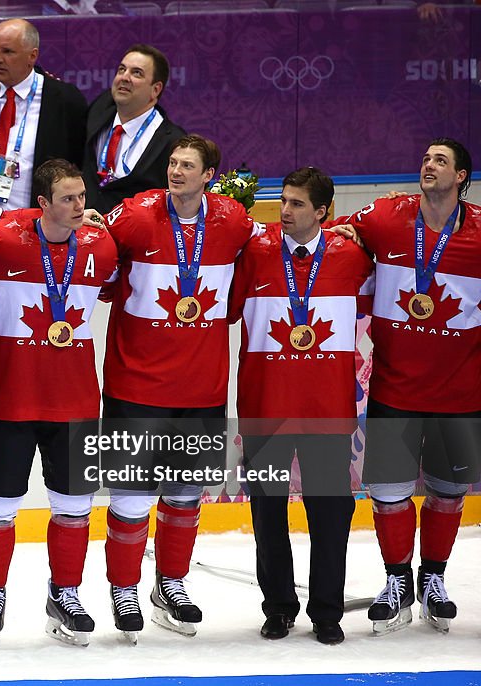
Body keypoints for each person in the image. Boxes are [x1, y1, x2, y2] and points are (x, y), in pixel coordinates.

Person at [101, 134, 258, 638]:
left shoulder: (233, 221)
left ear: (209, 174)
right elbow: (97, 266)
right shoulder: (133, 215)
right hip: (136, 384)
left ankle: (171, 583)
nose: (176, 172)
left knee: (185, 494)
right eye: (172, 163)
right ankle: (123, 588)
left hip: (202, 388)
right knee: (130, 497)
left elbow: (259, 269)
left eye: (188, 166)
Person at [0, 159, 118, 646]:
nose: (79, 206)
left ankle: (64, 593)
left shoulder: (101, 246)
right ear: (42, 203)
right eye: (67, 198)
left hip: (72, 399)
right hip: (9, 396)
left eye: (82, 196)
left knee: (74, 507)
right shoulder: (4, 240)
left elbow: (121, 285)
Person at [229, 167, 373, 645]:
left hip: (327, 409)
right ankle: (278, 608)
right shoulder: (254, 252)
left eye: (296, 204)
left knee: (330, 516)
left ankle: (327, 612)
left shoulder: (353, 255)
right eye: (283, 201)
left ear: (323, 212)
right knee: (267, 513)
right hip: (265, 406)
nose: (284, 212)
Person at [344, 138, 480, 635]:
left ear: (462, 176)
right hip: (394, 390)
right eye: (424, 158)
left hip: (460, 394)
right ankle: (397, 580)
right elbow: (324, 235)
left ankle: (434, 579)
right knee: (389, 493)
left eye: (440, 161)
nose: (428, 164)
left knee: (447, 493)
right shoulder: (384, 216)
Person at [0, 18, 87, 210]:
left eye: (7, 52)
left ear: (32, 56)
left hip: (33, 220)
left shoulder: (64, 100)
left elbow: (78, 160)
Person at [82, 44, 186, 215]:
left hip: (136, 238)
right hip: (85, 233)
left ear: (155, 89)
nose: (124, 77)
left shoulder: (172, 142)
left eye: (136, 73)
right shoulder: (98, 111)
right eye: (122, 70)